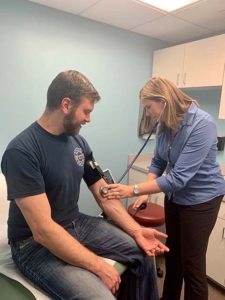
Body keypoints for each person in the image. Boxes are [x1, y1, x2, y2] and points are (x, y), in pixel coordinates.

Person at [1, 70, 169, 300]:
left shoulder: (78, 141)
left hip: (75, 222)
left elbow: (104, 195)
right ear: (66, 104)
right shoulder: (22, 151)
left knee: (142, 252)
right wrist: (99, 266)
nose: (89, 119)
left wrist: (137, 231)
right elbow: (43, 231)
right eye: (86, 111)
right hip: (32, 245)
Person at [103, 77, 225, 300]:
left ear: (164, 101)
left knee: (192, 265)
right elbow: (159, 161)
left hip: (202, 200)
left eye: (149, 107)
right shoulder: (164, 125)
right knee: (173, 256)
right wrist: (146, 193)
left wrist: (133, 190)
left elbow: (178, 178)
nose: (148, 113)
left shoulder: (202, 125)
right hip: (175, 197)